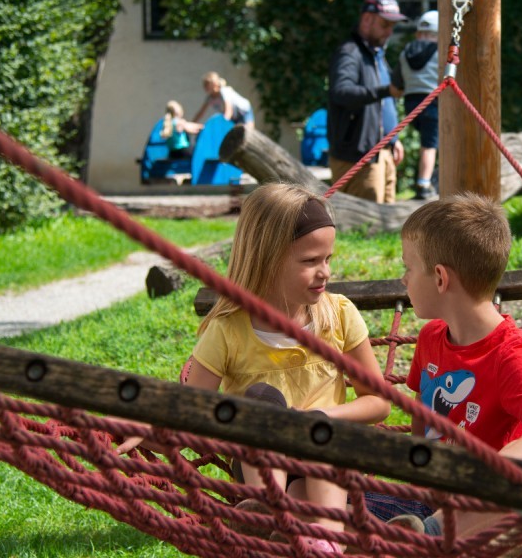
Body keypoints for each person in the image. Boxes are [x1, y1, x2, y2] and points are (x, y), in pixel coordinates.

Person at [120, 183, 391, 555]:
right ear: (267, 258)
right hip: (259, 463)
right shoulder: (229, 330)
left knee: (318, 446)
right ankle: (274, 513)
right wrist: (151, 427)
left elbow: (378, 402)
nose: (324, 272)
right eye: (310, 261)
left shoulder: (339, 315)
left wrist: (318, 417)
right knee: (261, 401)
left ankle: (326, 539)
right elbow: (191, 411)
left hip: (332, 455)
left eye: (328, 258)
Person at [379, 193, 522, 538]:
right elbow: (422, 424)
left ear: (440, 278)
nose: (404, 280)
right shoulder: (431, 337)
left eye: (408, 269)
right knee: (330, 502)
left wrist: (487, 474)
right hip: (423, 500)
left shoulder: (510, 356)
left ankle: (432, 535)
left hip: (478, 511)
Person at [327, 0, 406, 203]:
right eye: (385, 24)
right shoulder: (349, 53)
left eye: (392, 26)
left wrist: (393, 139)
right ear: (367, 20)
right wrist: (385, 91)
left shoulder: (376, 54)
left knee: (387, 226)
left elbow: (384, 105)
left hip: (382, 154)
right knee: (364, 230)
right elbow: (341, 92)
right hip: (358, 158)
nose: (389, 31)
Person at [399, 9, 441, 200]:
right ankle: (424, 183)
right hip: (432, 101)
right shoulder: (440, 52)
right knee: (429, 145)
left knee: (427, 142)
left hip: (411, 102)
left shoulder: (406, 52)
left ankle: (427, 179)